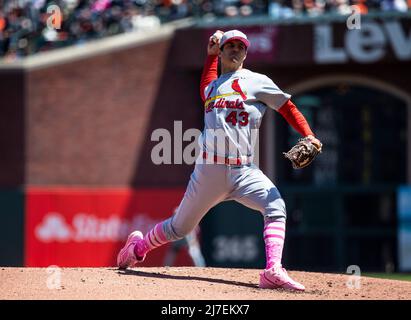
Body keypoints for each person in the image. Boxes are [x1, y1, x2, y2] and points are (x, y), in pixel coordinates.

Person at [117, 29, 322, 291]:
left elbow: (287, 107)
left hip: (244, 169)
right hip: (209, 171)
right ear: (223, 51)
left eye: (240, 46)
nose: (236, 49)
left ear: (246, 52)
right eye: (230, 46)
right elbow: (207, 82)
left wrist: (309, 135)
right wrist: (210, 56)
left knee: (276, 205)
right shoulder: (212, 87)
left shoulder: (257, 81)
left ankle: (272, 270)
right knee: (178, 229)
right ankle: (135, 250)